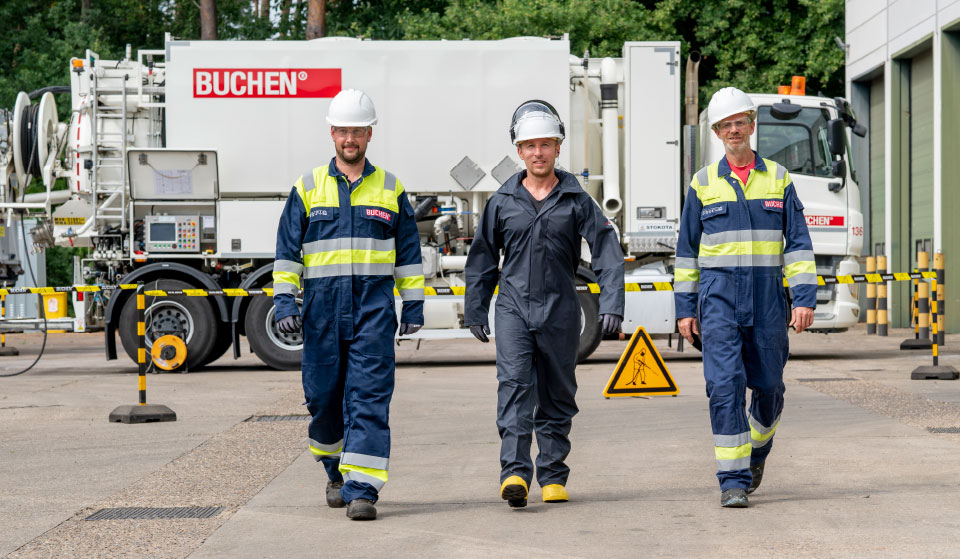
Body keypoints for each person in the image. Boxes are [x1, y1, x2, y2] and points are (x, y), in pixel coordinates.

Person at [272, 89, 425, 521]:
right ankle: (334, 470)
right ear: (332, 133)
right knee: (322, 401)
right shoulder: (307, 188)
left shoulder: (391, 189)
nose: (350, 138)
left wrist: (412, 307)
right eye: (342, 130)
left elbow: (409, 254)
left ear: (369, 133)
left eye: (358, 130)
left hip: (373, 314)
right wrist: (285, 303)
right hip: (321, 315)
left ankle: (362, 490)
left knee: (369, 400)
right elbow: (286, 254)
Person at [465, 100, 625, 508]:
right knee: (515, 388)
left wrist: (612, 302)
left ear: (558, 148)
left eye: (546, 144)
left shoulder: (576, 199)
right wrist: (476, 306)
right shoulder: (501, 201)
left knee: (557, 393)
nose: (538, 152)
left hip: (561, 309)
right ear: (518, 151)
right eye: (530, 145)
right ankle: (515, 473)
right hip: (514, 309)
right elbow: (482, 258)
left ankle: (553, 475)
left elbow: (606, 247)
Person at [674, 87, 817, 508]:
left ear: (752, 125)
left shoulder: (778, 179)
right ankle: (732, 480)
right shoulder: (702, 184)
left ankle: (756, 452)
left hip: (768, 300)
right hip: (718, 299)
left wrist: (804, 298)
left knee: (770, 387)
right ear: (717, 133)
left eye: (740, 122)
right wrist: (685, 309)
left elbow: (798, 244)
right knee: (724, 386)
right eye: (726, 125)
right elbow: (686, 252)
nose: (734, 130)